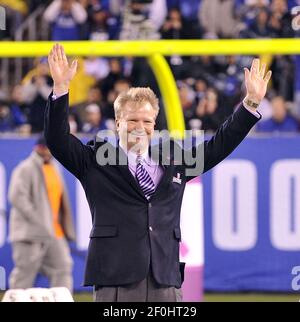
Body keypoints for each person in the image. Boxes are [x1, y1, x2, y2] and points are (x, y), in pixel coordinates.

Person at [45, 44, 271, 302]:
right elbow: (57, 139)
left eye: (146, 121)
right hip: (116, 279)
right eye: (132, 120)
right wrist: (61, 89)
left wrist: (250, 102)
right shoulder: (94, 160)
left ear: (154, 124)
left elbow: (219, 145)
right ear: (118, 123)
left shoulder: (173, 159)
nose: (139, 127)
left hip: (165, 278)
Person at [8, 137, 75, 292]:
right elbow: (17, 197)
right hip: (30, 234)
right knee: (24, 275)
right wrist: (38, 219)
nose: (44, 150)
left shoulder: (54, 167)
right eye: (42, 147)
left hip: (54, 231)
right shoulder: (25, 168)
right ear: (36, 148)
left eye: (47, 147)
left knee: (63, 267)